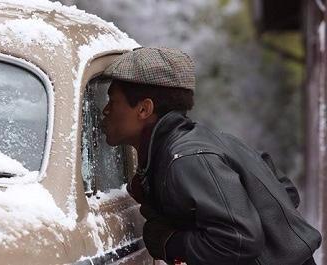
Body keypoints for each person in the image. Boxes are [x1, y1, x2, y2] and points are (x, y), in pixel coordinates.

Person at [100, 47, 321, 265]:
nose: (105, 110)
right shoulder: (212, 141)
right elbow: (284, 192)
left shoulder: (186, 159)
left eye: (112, 101)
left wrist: (170, 243)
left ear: (144, 109)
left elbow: (239, 241)